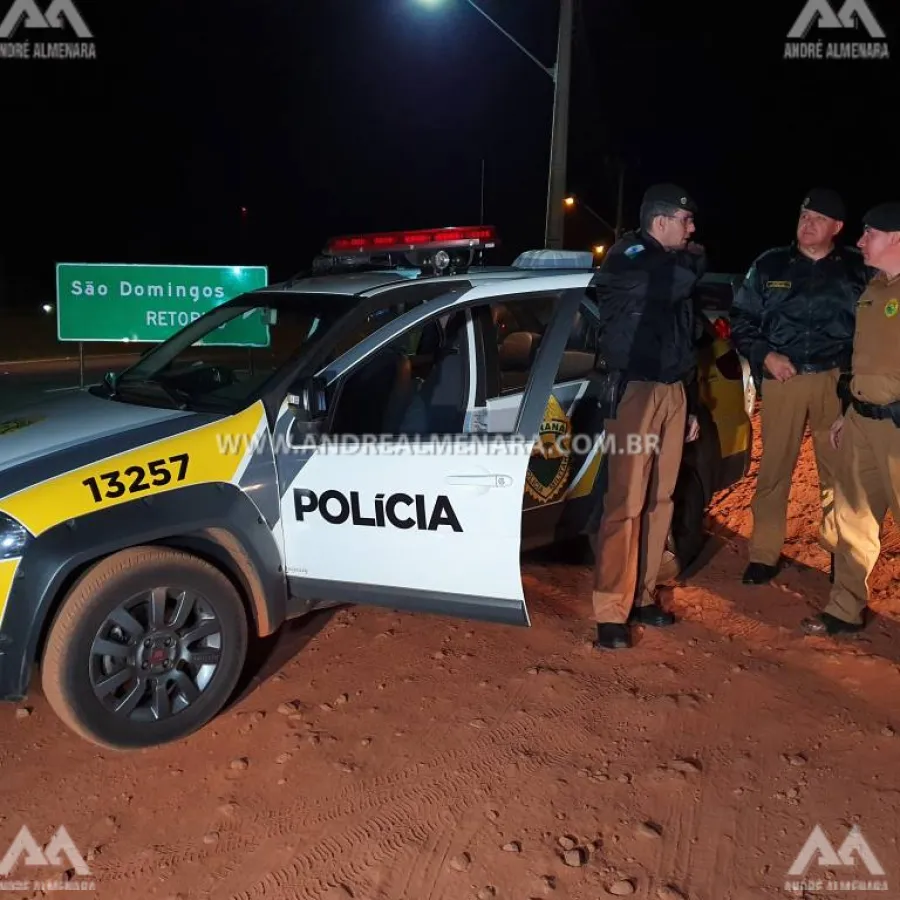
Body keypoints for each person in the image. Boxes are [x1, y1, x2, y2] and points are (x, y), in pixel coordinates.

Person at [729, 188, 870, 586]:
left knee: (837, 473)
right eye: (804, 215)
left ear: (837, 228)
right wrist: (765, 355)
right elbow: (741, 318)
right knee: (774, 470)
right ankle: (764, 553)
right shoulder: (771, 264)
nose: (807, 224)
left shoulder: (856, 271)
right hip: (782, 380)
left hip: (835, 381)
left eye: (818, 219)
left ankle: (839, 553)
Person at [588, 183, 705, 651]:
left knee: (662, 501)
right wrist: (694, 259)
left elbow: (684, 333)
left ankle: (644, 594)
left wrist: (690, 401)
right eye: (686, 221)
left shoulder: (668, 263)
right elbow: (675, 280)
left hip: (673, 392)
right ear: (660, 222)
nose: (693, 231)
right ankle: (611, 612)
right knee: (625, 506)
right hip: (635, 392)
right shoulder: (627, 256)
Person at [801, 202, 900, 635]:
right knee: (851, 519)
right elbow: (862, 359)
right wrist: (847, 411)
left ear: (896, 238)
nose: (860, 241)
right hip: (861, 421)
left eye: (870, 234)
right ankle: (844, 609)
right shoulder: (874, 289)